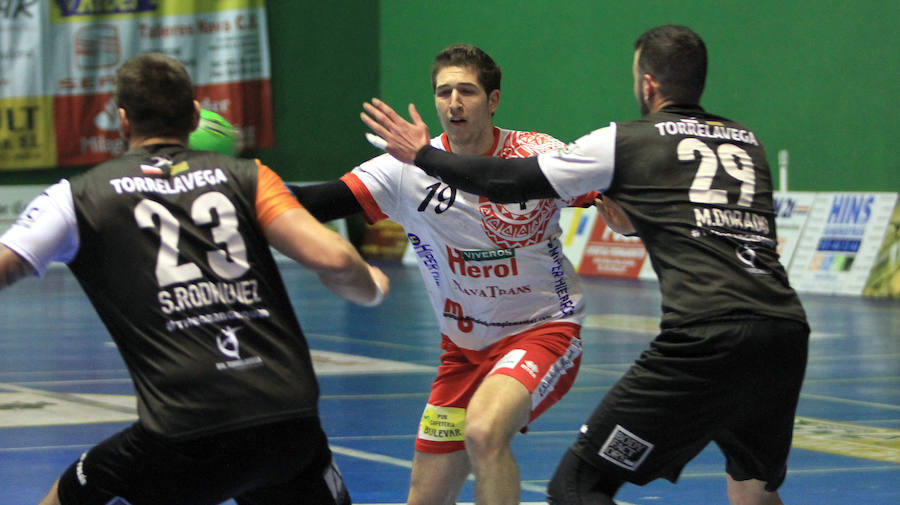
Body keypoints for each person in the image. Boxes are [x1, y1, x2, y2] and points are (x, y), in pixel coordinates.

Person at [361, 25, 810, 505]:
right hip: (783, 332)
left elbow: (509, 180)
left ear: (647, 84)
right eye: (444, 92)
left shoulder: (625, 141)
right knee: (753, 491)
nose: (453, 101)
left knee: (577, 486)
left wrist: (424, 156)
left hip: (703, 336)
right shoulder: (746, 142)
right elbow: (635, 220)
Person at [0, 52, 389, 505]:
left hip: (185, 432)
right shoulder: (249, 177)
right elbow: (337, 261)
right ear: (193, 114)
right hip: (287, 420)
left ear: (123, 121)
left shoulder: (78, 197)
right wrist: (371, 289)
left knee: (72, 493)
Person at [291, 44, 599, 505]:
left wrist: (621, 208)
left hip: (543, 331)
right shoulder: (401, 170)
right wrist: (239, 182)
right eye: (444, 91)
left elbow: (605, 195)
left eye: (467, 91)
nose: (454, 102)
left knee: (484, 430)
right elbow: (316, 201)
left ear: (493, 101)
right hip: (463, 350)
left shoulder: (537, 154)